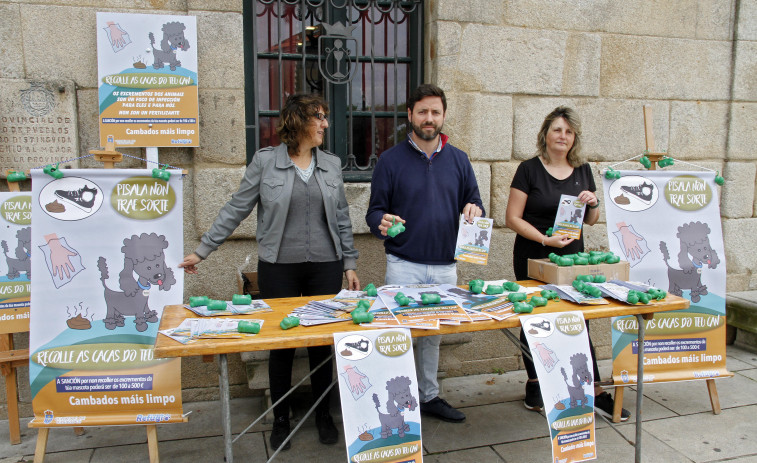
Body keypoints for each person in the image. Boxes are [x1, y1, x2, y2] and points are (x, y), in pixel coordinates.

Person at [179, 93, 360, 451]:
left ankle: (324, 413)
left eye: (324, 117)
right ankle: (281, 416)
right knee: (281, 346)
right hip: (279, 268)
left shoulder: (332, 165)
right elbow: (236, 208)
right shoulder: (266, 163)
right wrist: (203, 250)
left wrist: (350, 263)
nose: (325, 124)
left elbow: (341, 217)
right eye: (319, 117)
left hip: (325, 266)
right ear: (298, 122)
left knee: (323, 344)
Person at [366, 84, 484, 423]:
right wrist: (381, 223)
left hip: (446, 266)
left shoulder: (460, 160)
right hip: (403, 265)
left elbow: (476, 203)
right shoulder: (390, 161)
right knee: (397, 335)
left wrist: (474, 209)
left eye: (435, 112)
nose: (428, 118)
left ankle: (429, 396)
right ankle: (395, 403)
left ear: (444, 116)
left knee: (432, 337)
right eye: (422, 111)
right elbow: (374, 214)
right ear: (410, 116)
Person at [505, 106, 630, 421]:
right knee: (535, 317)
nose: (563, 136)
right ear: (546, 133)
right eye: (557, 130)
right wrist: (545, 240)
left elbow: (592, 220)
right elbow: (512, 218)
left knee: (579, 320)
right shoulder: (529, 169)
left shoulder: (582, 169)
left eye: (569, 132)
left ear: (575, 138)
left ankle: (594, 389)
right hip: (534, 256)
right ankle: (535, 384)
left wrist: (593, 203)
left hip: (573, 258)